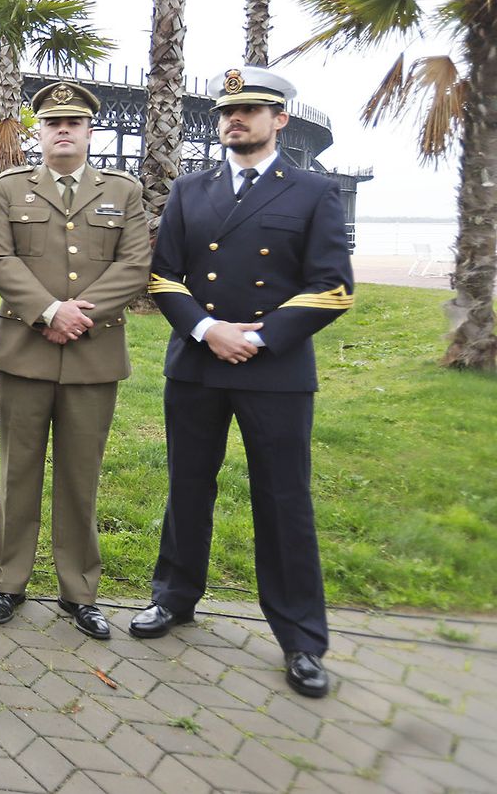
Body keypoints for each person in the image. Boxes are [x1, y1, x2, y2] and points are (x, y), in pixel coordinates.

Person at [133, 66, 354, 700]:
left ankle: (301, 638)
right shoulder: (190, 190)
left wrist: (256, 337)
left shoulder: (313, 191)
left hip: (275, 370)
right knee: (188, 485)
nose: (235, 119)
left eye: (251, 110)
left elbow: (333, 286)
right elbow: (164, 275)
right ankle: (173, 597)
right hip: (198, 365)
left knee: (284, 500)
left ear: (279, 119)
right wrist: (209, 330)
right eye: (228, 111)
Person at [0, 82, 150, 639]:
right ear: (40, 132)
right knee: (18, 472)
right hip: (25, 353)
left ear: (89, 131)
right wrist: (50, 311)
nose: (63, 131)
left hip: (93, 356)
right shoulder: (11, 188)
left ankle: (79, 591)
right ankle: (9, 582)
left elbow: (134, 264)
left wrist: (79, 316)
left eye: (73, 123)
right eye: (53, 123)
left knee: (81, 478)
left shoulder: (122, 190)